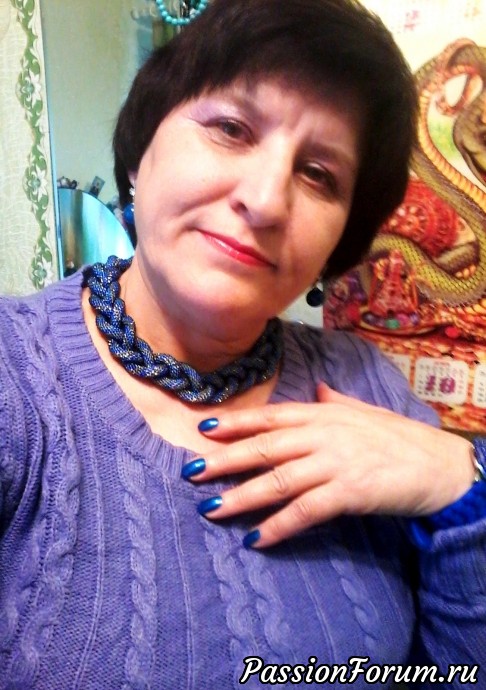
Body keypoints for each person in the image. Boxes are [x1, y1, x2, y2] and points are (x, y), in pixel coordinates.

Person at [0, 1, 484, 688]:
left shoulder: (368, 384)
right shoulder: (16, 375)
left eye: (319, 175)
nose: (266, 200)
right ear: (141, 151)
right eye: (231, 129)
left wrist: (462, 485)